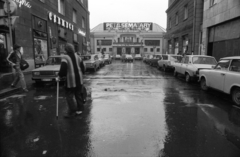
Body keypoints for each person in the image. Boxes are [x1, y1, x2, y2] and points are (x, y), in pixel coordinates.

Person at [57, 43, 85, 118]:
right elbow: (83, 68)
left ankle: (73, 111)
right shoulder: (78, 57)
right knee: (78, 94)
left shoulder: (65, 57)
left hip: (70, 81)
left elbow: (63, 69)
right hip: (79, 79)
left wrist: (59, 76)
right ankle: (80, 109)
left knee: (69, 96)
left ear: (66, 50)